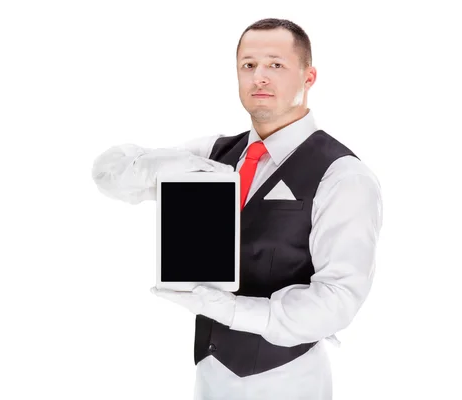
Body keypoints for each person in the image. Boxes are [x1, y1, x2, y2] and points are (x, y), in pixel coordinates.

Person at [91, 18, 383, 400]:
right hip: (210, 377)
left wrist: (230, 310)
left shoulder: (342, 174)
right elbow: (107, 174)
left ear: (308, 77)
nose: (259, 77)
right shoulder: (214, 153)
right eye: (248, 65)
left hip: (289, 382)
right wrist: (164, 167)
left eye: (276, 65)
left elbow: (338, 300)